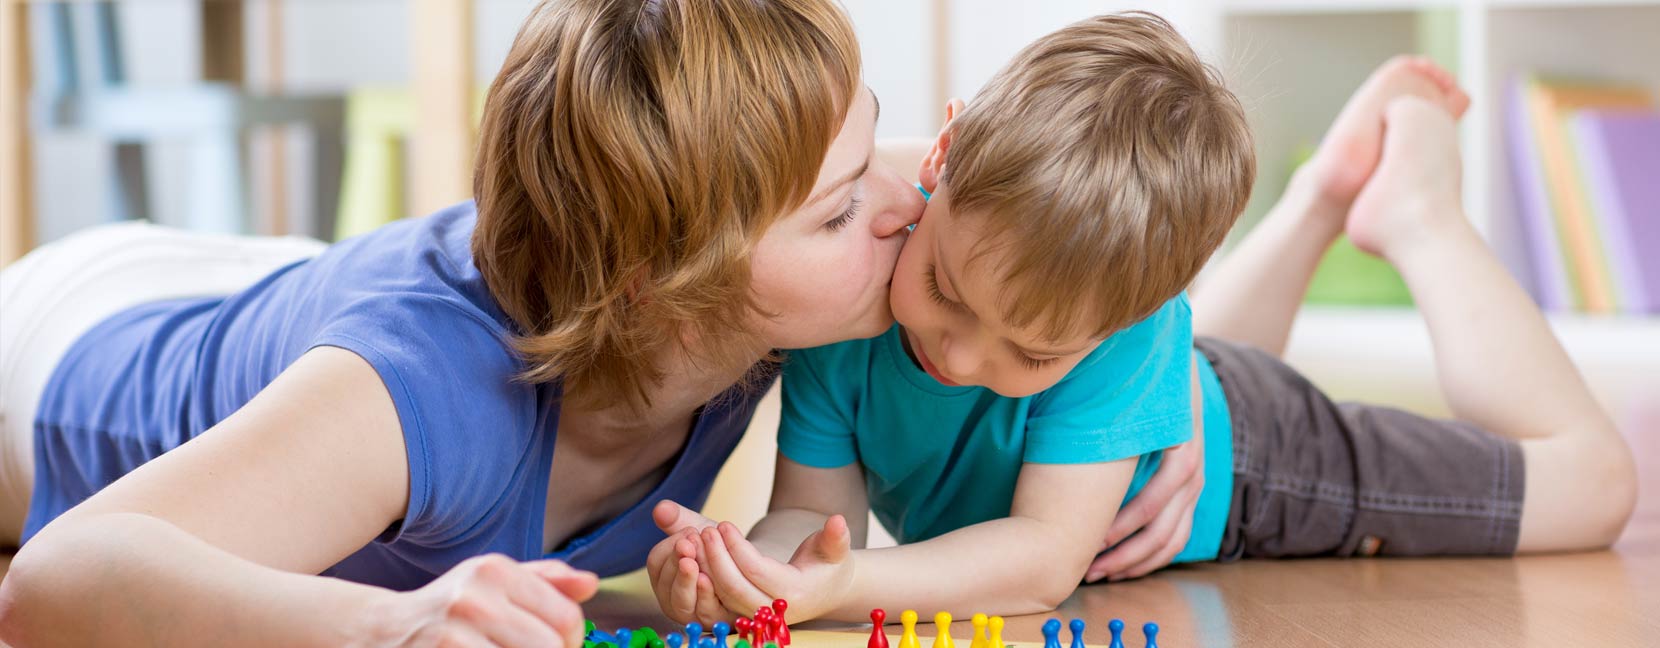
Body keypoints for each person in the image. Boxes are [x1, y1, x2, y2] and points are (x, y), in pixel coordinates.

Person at [645, 14, 1638, 623]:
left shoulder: (1116, 333)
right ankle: (1319, 200)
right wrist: (754, 570)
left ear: (1133, 317)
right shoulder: (851, 308)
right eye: (945, 289)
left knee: (1592, 490)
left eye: (1031, 351)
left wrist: (842, 589)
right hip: (1166, 379)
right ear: (938, 165)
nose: (957, 353)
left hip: (1258, 463)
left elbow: (1042, 563)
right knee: (1177, 360)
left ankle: (1416, 211)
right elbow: (810, 521)